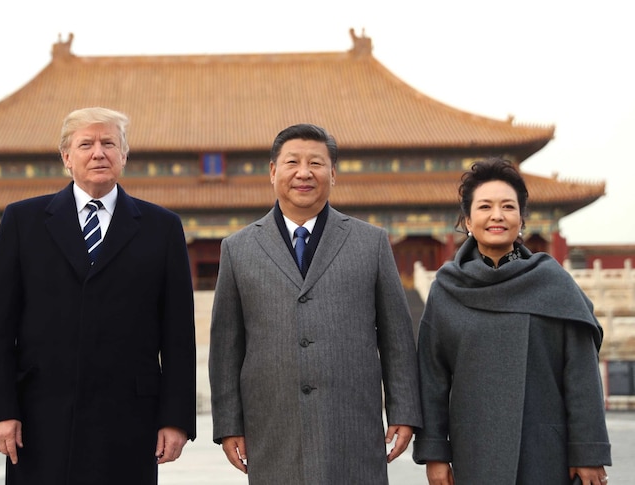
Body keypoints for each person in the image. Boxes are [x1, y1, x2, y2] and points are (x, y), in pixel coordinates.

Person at [0, 107, 197, 484]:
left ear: (124, 155)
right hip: (39, 417)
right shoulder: (23, 221)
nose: (99, 153)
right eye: (86, 144)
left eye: (109, 143)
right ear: (66, 157)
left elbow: (178, 334)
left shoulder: (162, 227)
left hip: (128, 418)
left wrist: (175, 419)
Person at [208, 123, 422, 483]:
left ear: (333, 173)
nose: (304, 173)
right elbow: (226, 346)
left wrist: (403, 411)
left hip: (352, 423)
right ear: (273, 171)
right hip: (274, 427)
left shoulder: (370, 243)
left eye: (317, 164)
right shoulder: (238, 248)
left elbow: (396, 338)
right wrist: (229, 424)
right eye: (292, 162)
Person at [412, 158, 611, 484]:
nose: (497, 215)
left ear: (521, 219)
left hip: (547, 451)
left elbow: (582, 375)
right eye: (485, 206)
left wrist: (588, 452)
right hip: (474, 451)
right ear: (467, 219)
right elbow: (432, 380)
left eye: (508, 206)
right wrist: (435, 454)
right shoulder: (447, 289)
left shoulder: (553, 283)